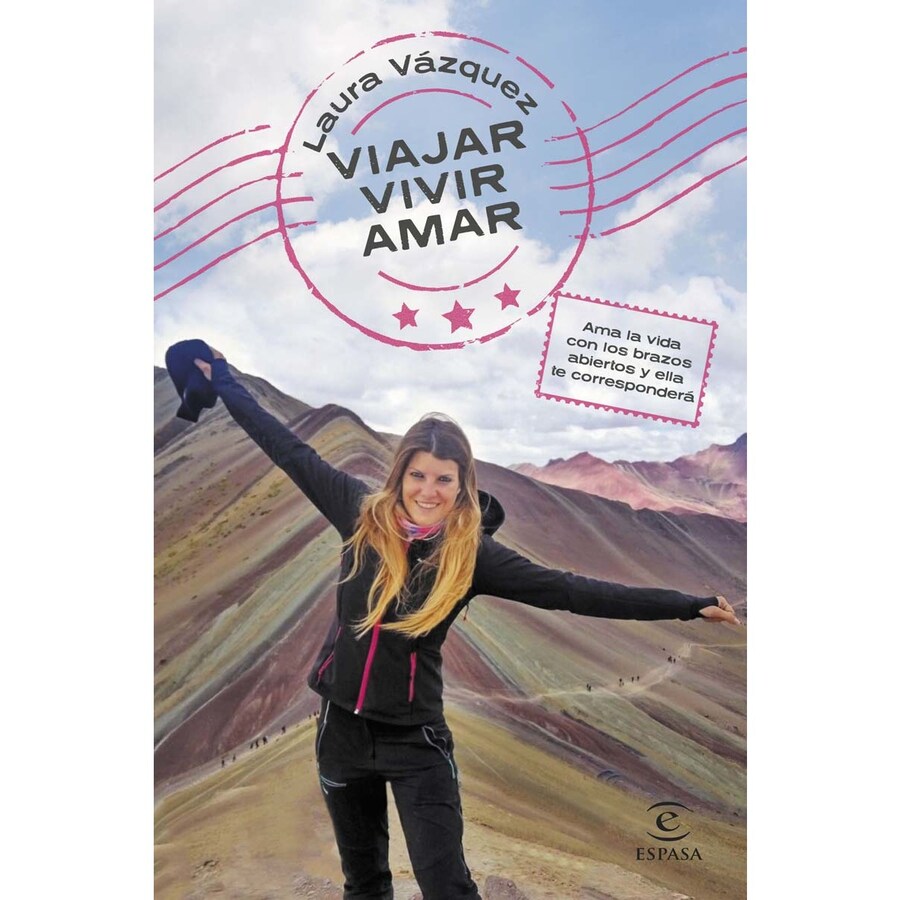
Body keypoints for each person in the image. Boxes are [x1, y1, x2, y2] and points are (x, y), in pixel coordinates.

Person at [184, 343, 739, 900]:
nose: (428, 492)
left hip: (415, 740)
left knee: (447, 887)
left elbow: (573, 591)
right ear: (400, 475)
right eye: (418, 475)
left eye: (444, 480)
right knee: (365, 885)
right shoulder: (359, 514)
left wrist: (687, 604)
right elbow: (286, 448)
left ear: (461, 485)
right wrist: (223, 377)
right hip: (340, 734)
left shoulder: (473, 557)